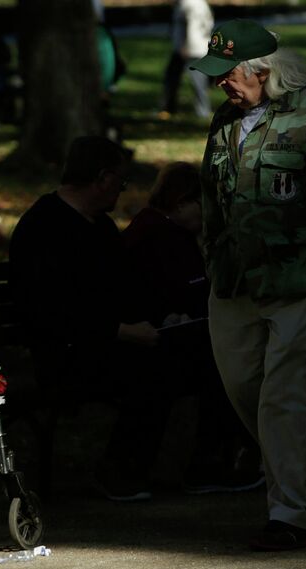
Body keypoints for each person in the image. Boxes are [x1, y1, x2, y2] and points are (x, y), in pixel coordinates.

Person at [190, 19, 306, 550]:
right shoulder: (225, 120)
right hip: (234, 283)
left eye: (230, 74)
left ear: (264, 70)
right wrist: (211, 251)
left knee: (283, 399)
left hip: (299, 281)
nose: (222, 83)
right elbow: (209, 196)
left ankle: (290, 513)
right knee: (243, 388)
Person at [9, 136, 161, 502]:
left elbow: (122, 290)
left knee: (182, 358)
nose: (122, 192)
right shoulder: (43, 227)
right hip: (62, 355)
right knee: (153, 371)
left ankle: (189, 462)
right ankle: (117, 470)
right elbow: (46, 312)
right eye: (121, 183)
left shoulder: (101, 227)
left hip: (100, 345)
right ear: (103, 178)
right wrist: (120, 330)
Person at [121, 162, 263, 494]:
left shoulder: (164, 232)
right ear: (182, 201)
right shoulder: (160, 235)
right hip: (148, 339)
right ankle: (210, 461)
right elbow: (185, 291)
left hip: (161, 334)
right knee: (222, 364)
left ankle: (216, 459)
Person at [159, 0, 214, 120]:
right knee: (173, 77)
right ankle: (168, 108)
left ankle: (202, 111)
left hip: (191, 50)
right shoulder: (194, 3)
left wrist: (187, 47)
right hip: (190, 48)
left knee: (197, 82)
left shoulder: (190, 4)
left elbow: (193, 26)